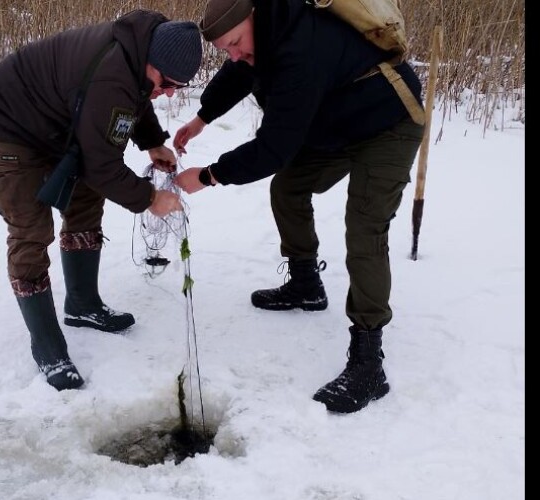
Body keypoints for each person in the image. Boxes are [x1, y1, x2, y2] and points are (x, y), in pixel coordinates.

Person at [173, 0, 424, 413]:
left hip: (388, 122)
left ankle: (368, 360)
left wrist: (208, 176)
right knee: (288, 188)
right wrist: (201, 118)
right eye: (226, 48)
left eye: (235, 42)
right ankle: (306, 284)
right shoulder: (264, 35)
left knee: (364, 227)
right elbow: (239, 71)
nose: (233, 53)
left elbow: (274, 147)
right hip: (338, 123)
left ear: (253, 15)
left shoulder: (299, 48)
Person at [0, 10, 203, 391]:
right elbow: (101, 163)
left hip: (56, 123)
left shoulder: (140, 50)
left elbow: (137, 97)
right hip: (6, 124)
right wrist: (148, 199)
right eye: (169, 82)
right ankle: (47, 346)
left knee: (86, 198)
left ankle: (82, 305)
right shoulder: (114, 73)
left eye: (179, 86)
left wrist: (152, 141)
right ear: (151, 62)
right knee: (31, 228)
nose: (171, 92)